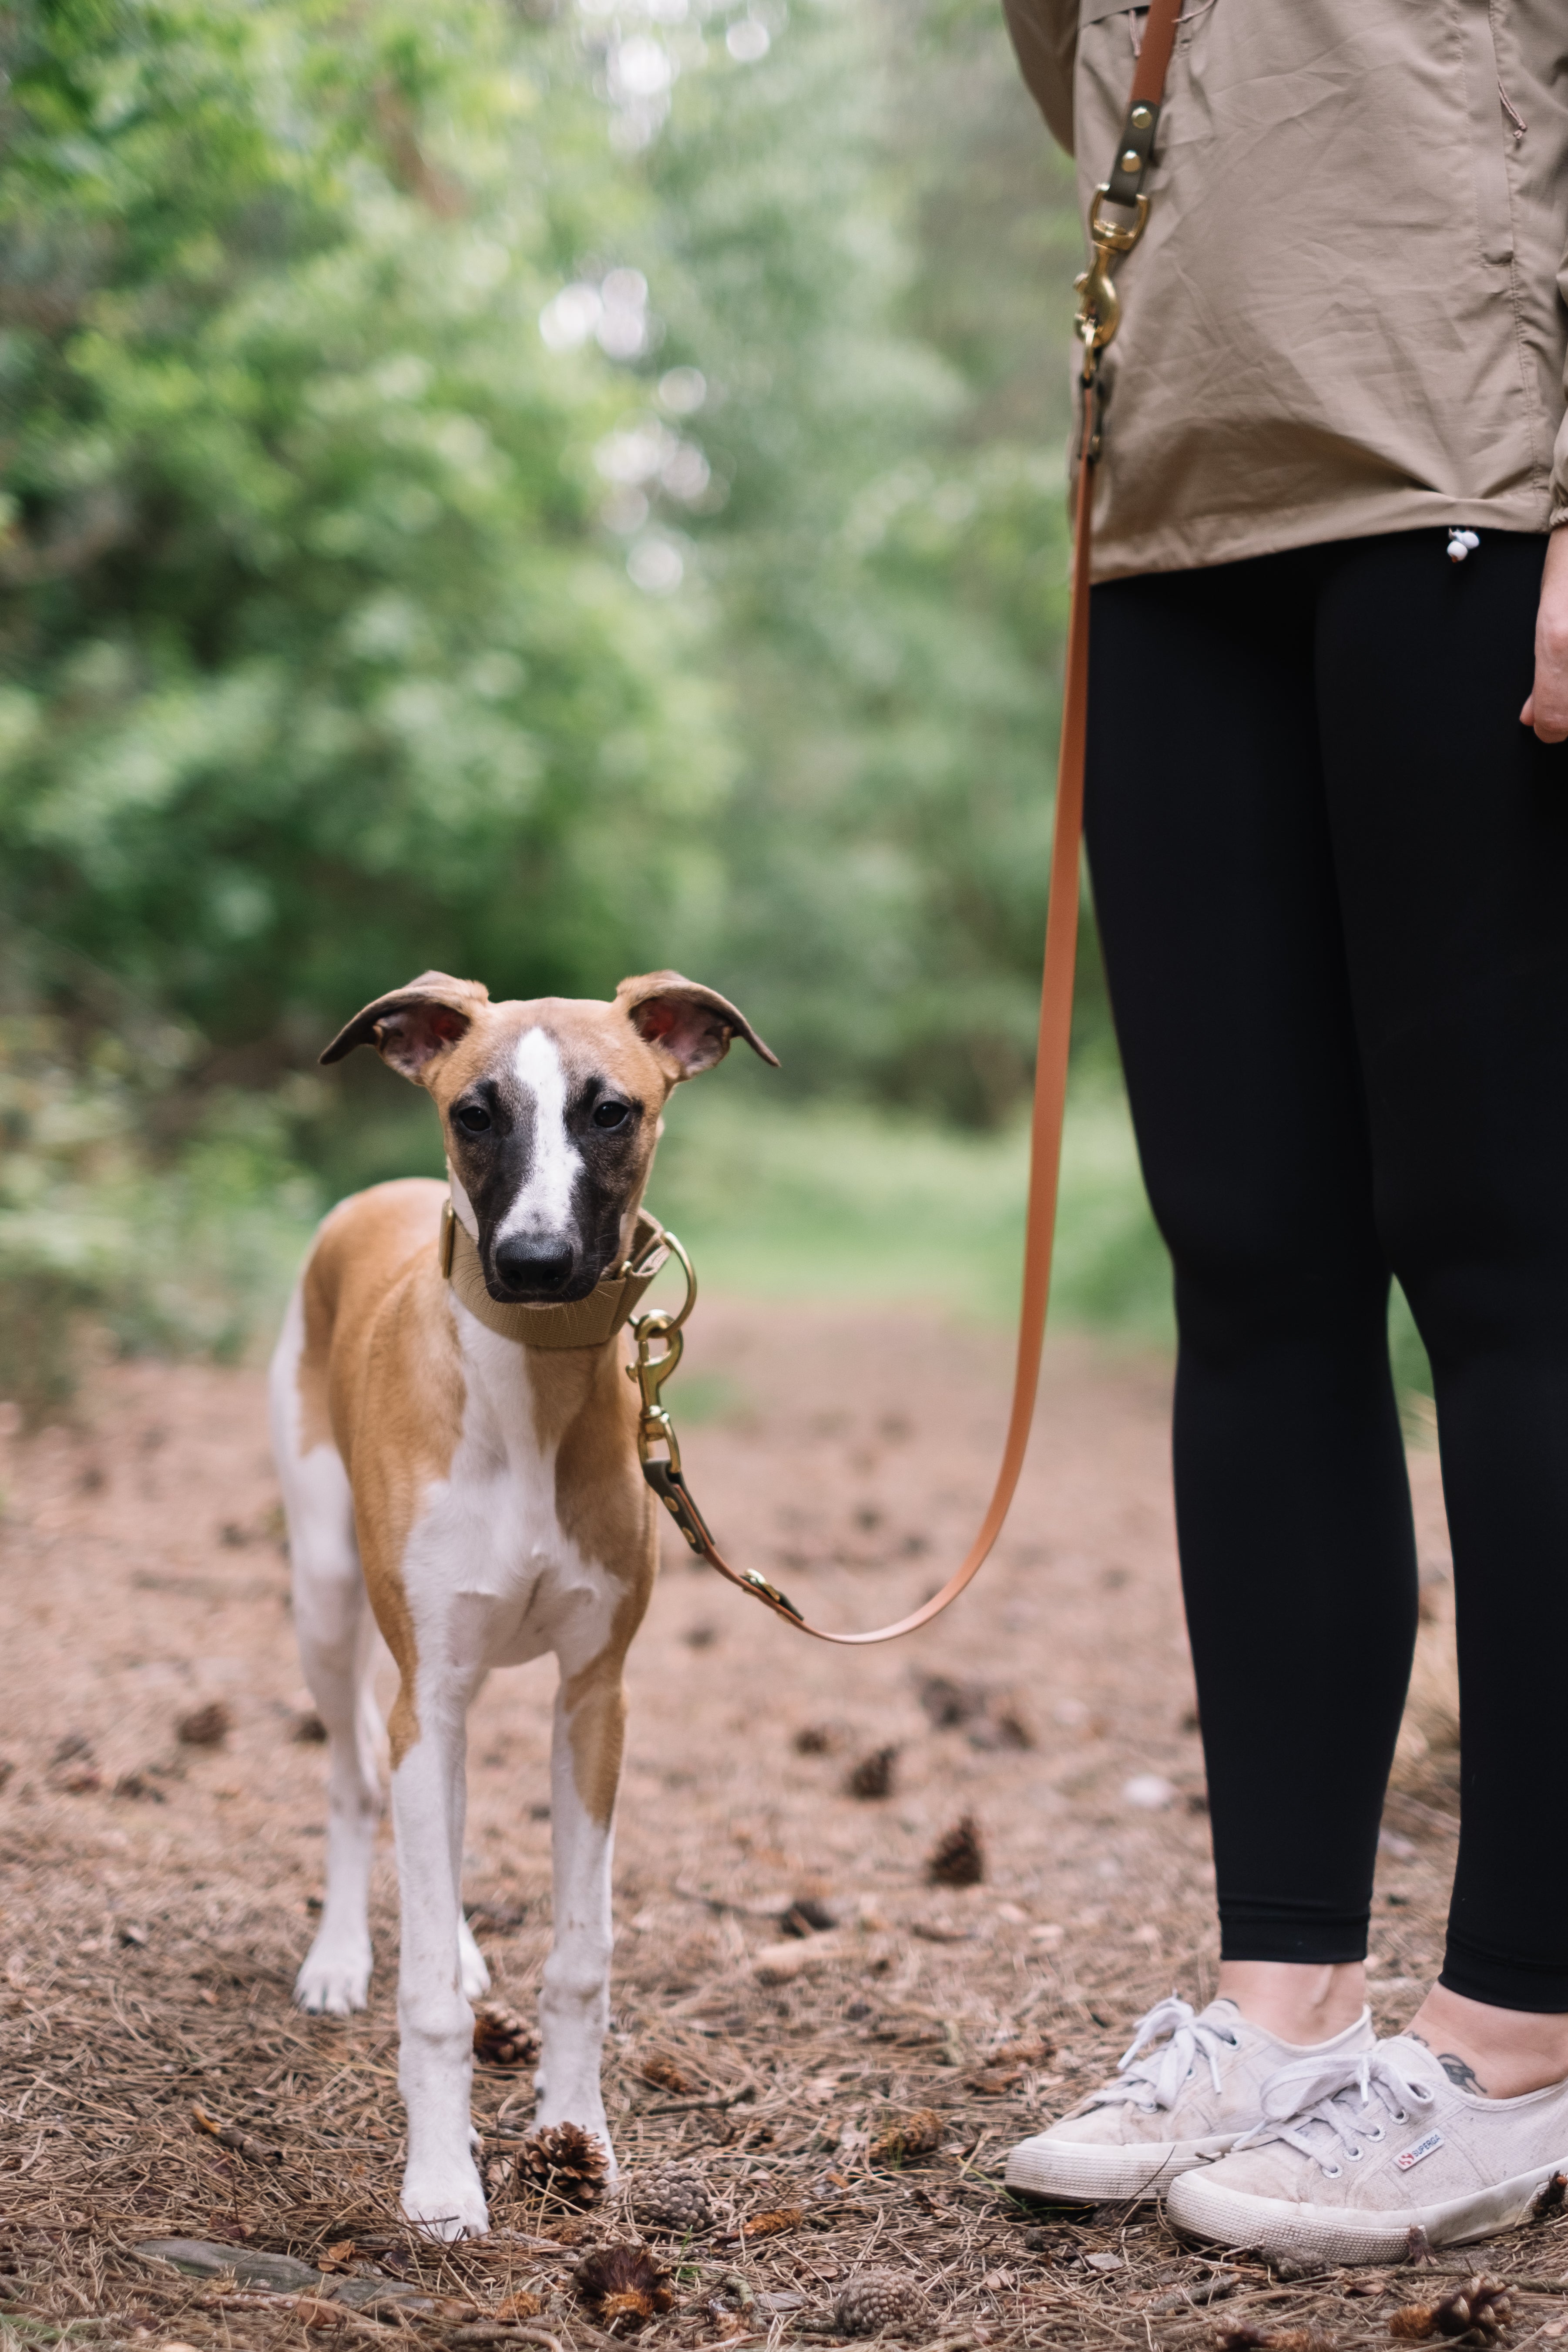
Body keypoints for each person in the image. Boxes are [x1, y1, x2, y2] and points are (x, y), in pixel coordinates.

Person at [999, 0, 1568, 2261]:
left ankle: (1517, 2034)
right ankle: (1286, 2004)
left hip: (1461, 478)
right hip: (1166, 524)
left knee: (1505, 1256)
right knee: (1246, 1262)